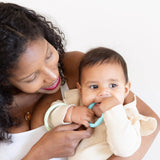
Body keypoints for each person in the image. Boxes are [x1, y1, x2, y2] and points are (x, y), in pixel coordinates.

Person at [0, 2, 159, 160]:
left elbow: (149, 122)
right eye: (32, 77)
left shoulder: (77, 67)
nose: (53, 76)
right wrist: (40, 153)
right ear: (4, 81)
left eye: (48, 55)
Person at [44, 47, 157, 160]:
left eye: (113, 86)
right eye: (94, 87)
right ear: (81, 90)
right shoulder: (79, 103)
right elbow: (50, 117)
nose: (103, 93)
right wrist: (70, 113)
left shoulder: (129, 116)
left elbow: (124, 150)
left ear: (126, 90)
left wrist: (114, 111)